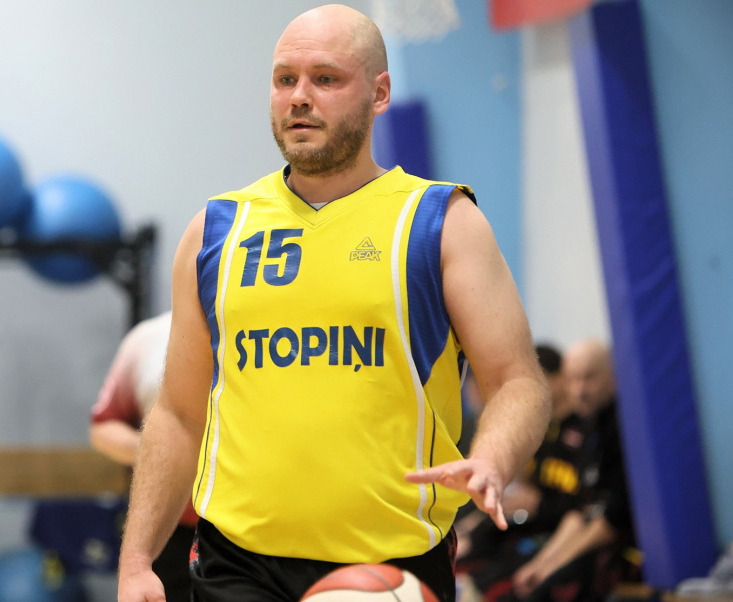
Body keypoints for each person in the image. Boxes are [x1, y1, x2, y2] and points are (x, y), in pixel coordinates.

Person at [117, 5, 551, 601]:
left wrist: (493, 459)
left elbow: (518, 382)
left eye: (325, 79)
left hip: (390, 566)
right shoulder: (215, 230)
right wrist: (137, 559)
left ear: (379, 93)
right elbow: (178, 413)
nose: (299, 96)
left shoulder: (441, 222)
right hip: (236, 564)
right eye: (285, 79)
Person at [456, 344, 589, 599]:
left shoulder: (585, 430)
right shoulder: (538, 431)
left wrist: (538, 504)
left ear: (559, 379)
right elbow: (515, 491)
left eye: (539, 378)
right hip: (526, 529)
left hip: (559, 536)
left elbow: (581, 507)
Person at [509, 340, 638, 601]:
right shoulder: (590, 426)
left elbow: (612, 520)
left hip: (622, 548)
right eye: (573, 379)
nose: (579, 390)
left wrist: (552, 568)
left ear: (612, 374)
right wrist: (541, 564)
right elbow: (580, 511)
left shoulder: (626, 426)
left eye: (589, 378)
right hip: (587, 537)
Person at [89, 311, 199, 601]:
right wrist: (166, 452)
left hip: (247, 523)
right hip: (169, 523)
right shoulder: (147, 338)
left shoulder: (260, 330)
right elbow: (103, 428)